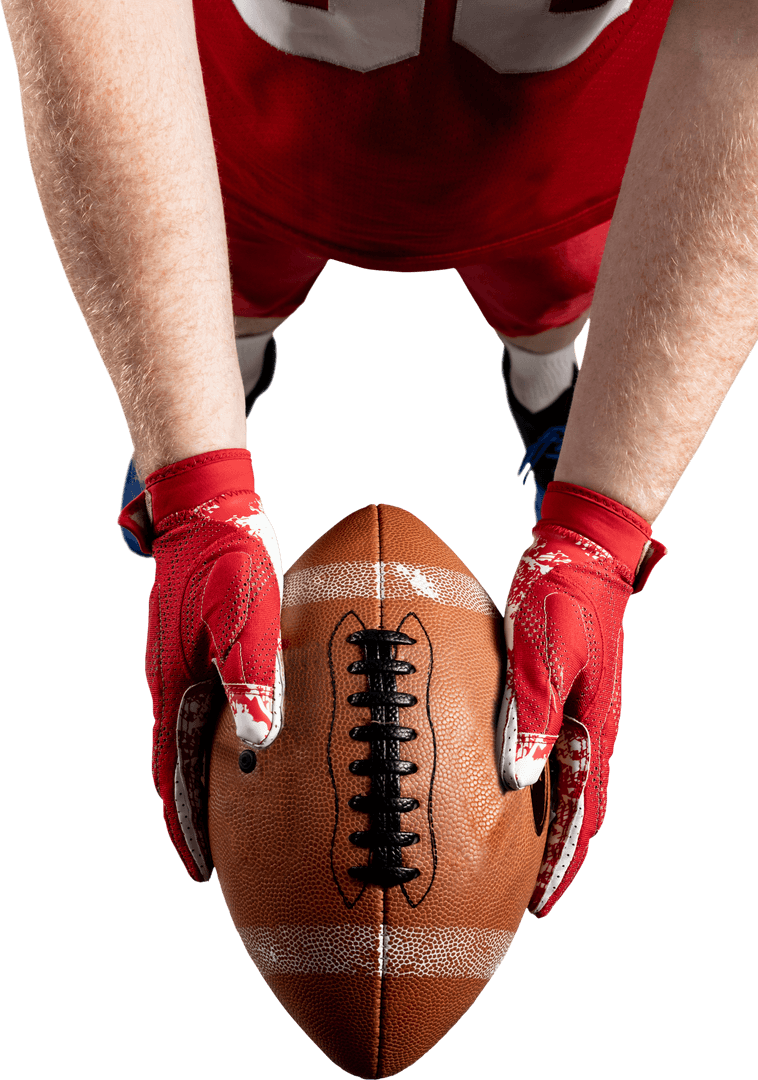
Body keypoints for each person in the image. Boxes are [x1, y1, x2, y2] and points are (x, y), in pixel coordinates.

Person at [2, 0, 755, 917]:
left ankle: (543, 381)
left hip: (558, 145)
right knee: (225, 298)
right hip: (243, 122)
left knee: (550, 302)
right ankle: (226, 370)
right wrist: (195, 468)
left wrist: (599, 520)